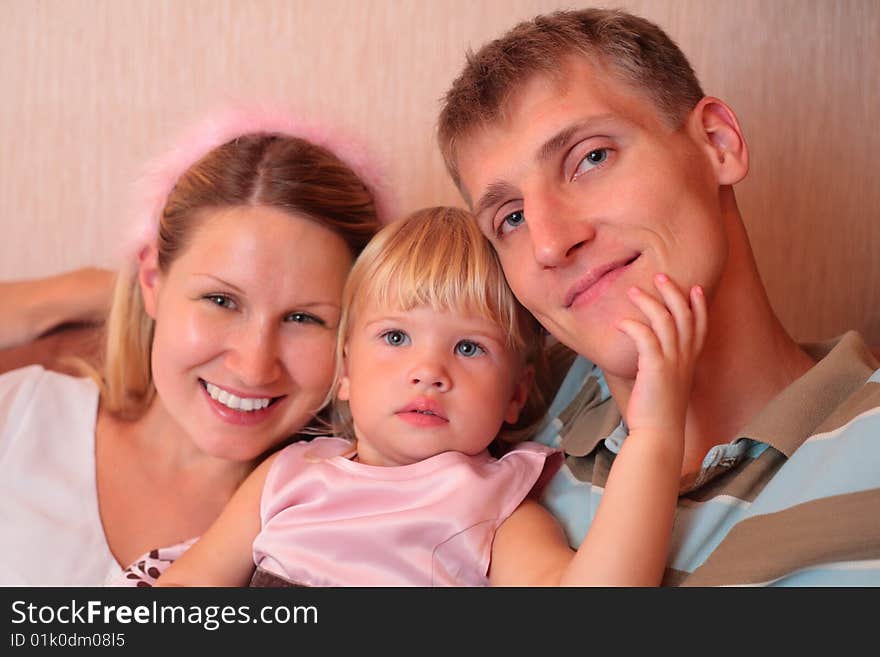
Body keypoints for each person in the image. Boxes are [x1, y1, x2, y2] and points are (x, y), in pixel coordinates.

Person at [436, 8, 880, 585]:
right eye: (512, 217)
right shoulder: (507, 405)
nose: (549, 243)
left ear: (717, 144)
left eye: (590, 158)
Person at [154, 206, 707, 587]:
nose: (429, 372)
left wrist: (655, 433)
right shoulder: (289, 474)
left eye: (469, 348)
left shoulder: (496, 505)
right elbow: (192, 584)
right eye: (395, 338)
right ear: (344, 370)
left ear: (515, 394)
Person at [0, 107, 388, 586]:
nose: (253, 367)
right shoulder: (20, 416)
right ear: (151, 280)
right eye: (220, 300)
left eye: (304, 318)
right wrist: (76, 292)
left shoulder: (357, 520)